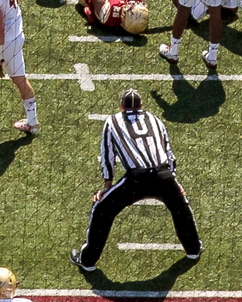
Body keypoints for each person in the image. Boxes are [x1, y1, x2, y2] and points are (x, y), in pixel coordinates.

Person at [75, 87, 196, 271]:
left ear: (121, 107)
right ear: (142, 105)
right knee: (180, 207)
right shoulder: (155, 120)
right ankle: (193, 249)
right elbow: (169, 153)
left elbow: (107, 155)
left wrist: (107, 185)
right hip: (163, 176)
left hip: (136, 180)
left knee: (102, 210)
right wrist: (174, 182)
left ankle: (88, 260)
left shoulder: (112, 121)